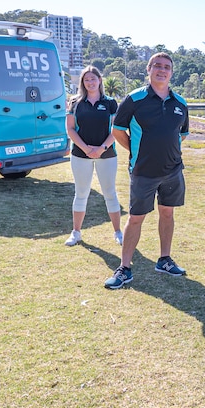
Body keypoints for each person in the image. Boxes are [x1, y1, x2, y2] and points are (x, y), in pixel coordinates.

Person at [104, 52, 189, 289]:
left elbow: (181, 134)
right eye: (158, 66)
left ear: (171, 72)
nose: (162, 70)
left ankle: (164, 260)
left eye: (167, 67)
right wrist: (135, 149)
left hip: (173, 170)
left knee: (168, 214)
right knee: (136, 218)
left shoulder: (180, 103)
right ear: (149, 69)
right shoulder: (134, 99)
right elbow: (118, 130)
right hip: (143, 170)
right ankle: (124, 268)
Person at [64, 66, 123, 247]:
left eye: (93, 79)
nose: (90, 82)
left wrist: (102, 148)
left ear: (99, 80)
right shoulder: (75, 102)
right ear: (82, 82)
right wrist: (87, 149)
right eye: (86, 79)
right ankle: (76, 233)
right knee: (81, 193)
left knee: (110, 193)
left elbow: (117, 129)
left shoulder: (111, 103)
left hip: (107, 155)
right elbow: (70, 129)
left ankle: (118, 232)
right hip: (81, 155)